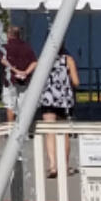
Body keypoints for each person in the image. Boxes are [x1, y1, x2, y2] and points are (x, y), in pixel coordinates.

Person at [38, 40, 79, 179]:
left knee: (50, 132)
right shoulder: (68, 60)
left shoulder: (44, 60)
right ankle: (64, 166)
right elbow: (76, 81)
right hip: (64, 100)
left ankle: (53, 165)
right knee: (64, 133)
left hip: (48, 98)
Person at [0, 25, 37, 122]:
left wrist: (15, 70)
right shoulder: (27, 47)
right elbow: (34, 62)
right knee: (23, 106)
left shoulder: (6, 47)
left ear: (8, 35)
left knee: (10, 105)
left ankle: (11, 130)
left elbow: (3, 61)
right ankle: (23, 130)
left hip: (10, 80)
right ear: (19, 35)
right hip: (24, 80)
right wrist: (26, 72)